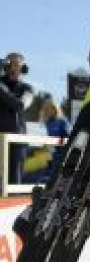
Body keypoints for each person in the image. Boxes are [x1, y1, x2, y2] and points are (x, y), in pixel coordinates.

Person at [1, 52, 34, 183]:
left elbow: (20, 105)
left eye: (18, 65)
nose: (15, 69)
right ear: (6, 67)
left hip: (17, 141)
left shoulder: (28, 89)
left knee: (14, 182)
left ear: (23, 68)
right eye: (11, 64)